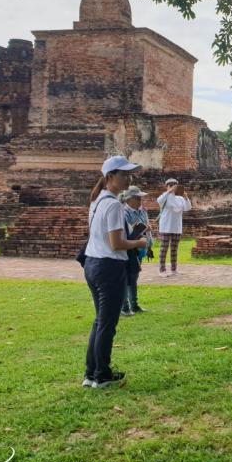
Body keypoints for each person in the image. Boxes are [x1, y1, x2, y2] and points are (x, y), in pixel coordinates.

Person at [83, 156, 147, 389]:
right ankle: (101, 374)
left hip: (93, 263)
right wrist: (139, 243)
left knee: (101, 321)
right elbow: (117, 244)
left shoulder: (98, 201)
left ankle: (92, 372)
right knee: (107, 323)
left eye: (129, 174)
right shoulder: (113, 205)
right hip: (109, 266)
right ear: (110, 176)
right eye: (123, 174)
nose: (128, 179)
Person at [119, 185, 152, 316]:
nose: (140, 201)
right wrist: (139, 229)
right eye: (137, 198)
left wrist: (147, 230)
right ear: (129, 199)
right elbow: (125, 231)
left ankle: (134, 304)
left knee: (134, 277)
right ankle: (125, 306)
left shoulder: (142, 210)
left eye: (140, 198)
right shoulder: (123, 212)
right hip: (129, 248)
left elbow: (146, 226)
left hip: (140, 247)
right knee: (126, 278)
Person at [156, 178, 191, 277]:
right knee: (164, 248)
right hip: (166, 227)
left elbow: (188, 208)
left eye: (174, 185)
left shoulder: (180, 199)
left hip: (176, 227)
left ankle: (174, 269)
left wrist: (186, 197)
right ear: (166, 186)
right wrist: (169, 191)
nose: (172, 187)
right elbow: (159, 200)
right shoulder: (165, 197)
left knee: (174, 249)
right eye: (170, 185)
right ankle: (162, 270)